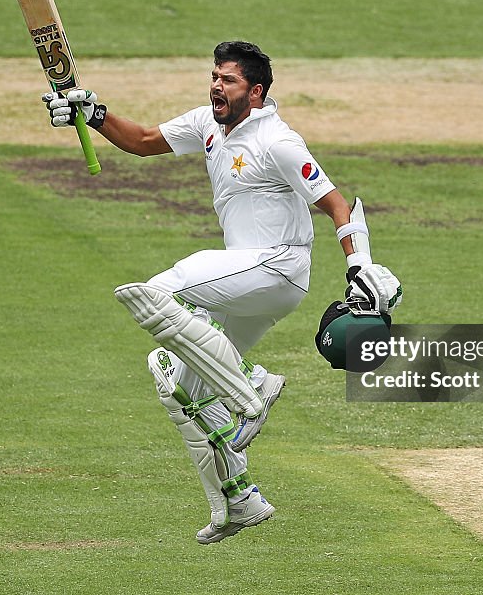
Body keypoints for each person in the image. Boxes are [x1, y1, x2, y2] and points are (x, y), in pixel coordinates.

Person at [42, 41, 402, 543]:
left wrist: (359, 267)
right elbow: (144, 139)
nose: (216, 85)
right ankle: (240, 500)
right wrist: (95, 114)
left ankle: (252, 384)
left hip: (278, 268)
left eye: (228, 80)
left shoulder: (278, 141)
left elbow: (338, 206)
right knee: (180, 387)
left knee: (157, 292)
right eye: (214, 76)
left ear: (254, 92)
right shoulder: (208, 124)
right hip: (245, 278)